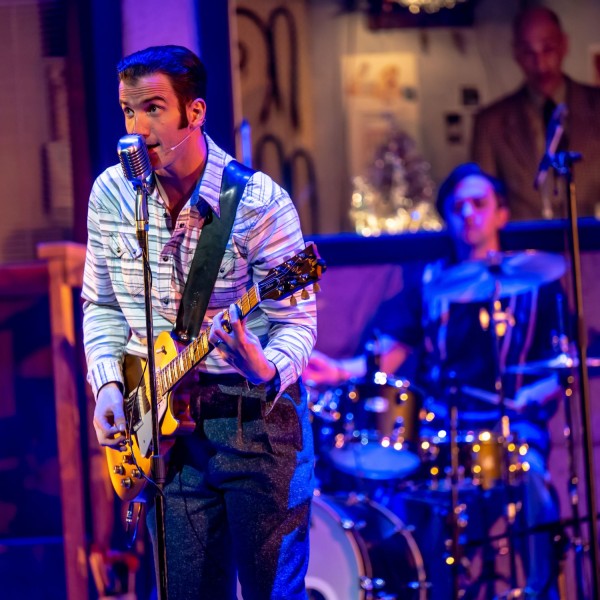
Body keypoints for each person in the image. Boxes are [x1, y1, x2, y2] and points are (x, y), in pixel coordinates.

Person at [81, 45, 317, 600]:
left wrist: (263, 366)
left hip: (255, 422)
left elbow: (297, 322)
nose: (136, 128)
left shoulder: (259, 203)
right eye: (127, 111)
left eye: (153, 108)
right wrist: (108, 386)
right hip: (166, 436)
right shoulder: (111, 194)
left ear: (196, 112)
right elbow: (103, 305)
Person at [305, 163, 565, 598]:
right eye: (457, 206)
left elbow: (566, 363)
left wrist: (542, 389)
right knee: (411, 504)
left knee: (535, 488)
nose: (468, 213)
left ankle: (541, 591)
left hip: (513, 428)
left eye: (479, 204)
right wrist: (335, 371)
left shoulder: (538, 283)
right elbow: (384, 360)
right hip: (444, 429)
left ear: (501, 213)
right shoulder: (427, 283)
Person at [471, 7, 600, 220]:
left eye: (547, 49)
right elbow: (483, 199)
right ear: (516, 53)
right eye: (528, 52)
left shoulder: (596, 106)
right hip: (524, 247)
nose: (540, 64)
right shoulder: (491, 123)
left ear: (564, 45)